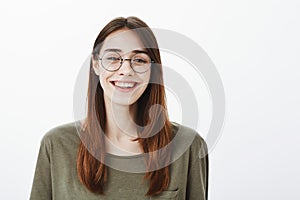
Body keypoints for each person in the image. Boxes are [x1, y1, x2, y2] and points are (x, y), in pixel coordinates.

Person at [29, 16, 209, 200]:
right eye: (113, 58)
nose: (126, 70)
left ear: (153, 70)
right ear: (96, 64)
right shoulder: (56, 145)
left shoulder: (188, 146)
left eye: (139, 60)